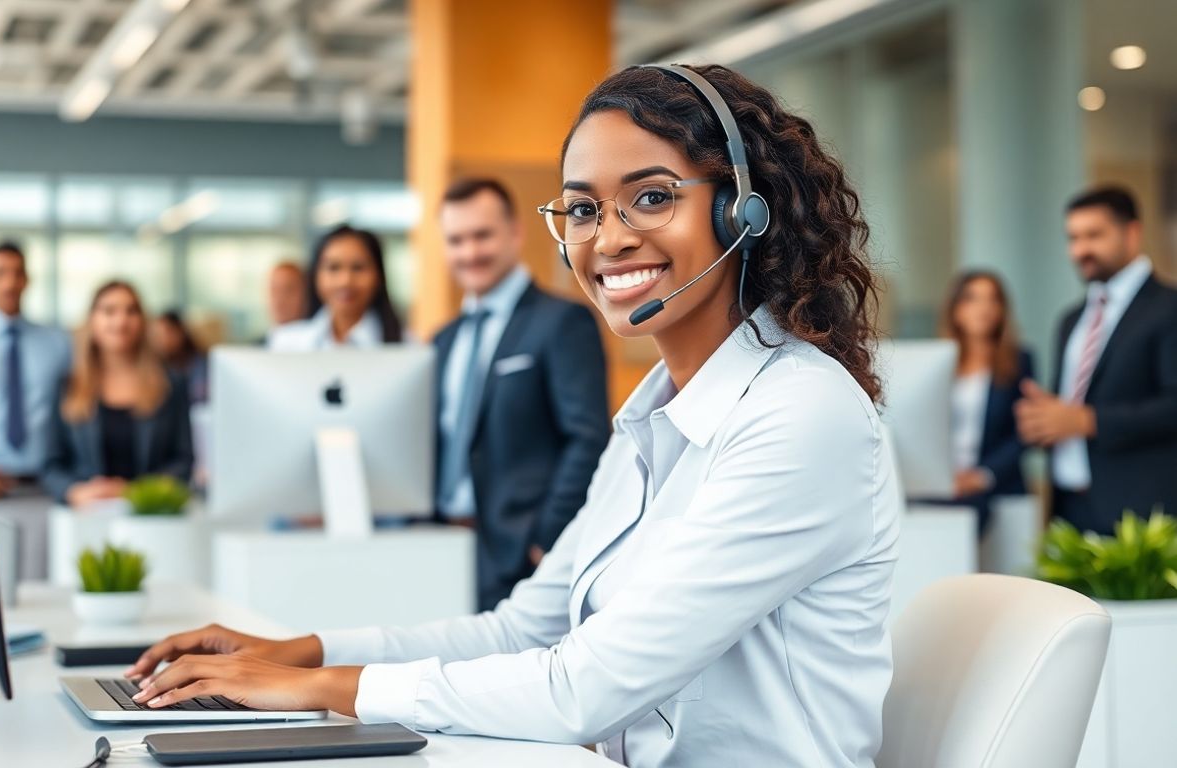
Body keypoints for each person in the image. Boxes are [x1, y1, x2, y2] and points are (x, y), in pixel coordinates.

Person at [127, 64, 899, 767]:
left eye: (653, 196)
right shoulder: (651, 416)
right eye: (585, 209)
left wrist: (325, 689)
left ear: (741, 210)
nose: (610, 237)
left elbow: (585, 688)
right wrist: (299, 651)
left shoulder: (801, 412)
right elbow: (522, 629)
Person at [433, 177, 610, 610]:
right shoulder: (441, 340)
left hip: (520, 553)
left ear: (515, 233)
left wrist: (544, 538)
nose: (470, 252)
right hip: (441, 547)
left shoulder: (562, 322)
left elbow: (588, 437)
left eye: (482, 235)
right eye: (456, 240)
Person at [1017, 186, 1177, 534]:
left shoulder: (1169, 308)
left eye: (1094, 235)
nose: (1080, 250)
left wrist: (1087, 421)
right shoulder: (1071, 319)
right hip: (1069, 510)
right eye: (1072, 237)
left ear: (1132, 233)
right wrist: (1046, 419)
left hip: (1139, 516)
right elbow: (1071, 409)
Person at [41, 281, 193, 507]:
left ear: (142, 321)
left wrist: (134, 492)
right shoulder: (67, 385)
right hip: (86, 515)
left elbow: (183, 462)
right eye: (109, 311)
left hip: (149, 514)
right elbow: (50, 465)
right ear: (92, 320)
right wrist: (75, 491)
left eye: (131, 311)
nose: (121, 321)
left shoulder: (170, 384)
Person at [0, 241, 71, 499]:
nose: (10, 283)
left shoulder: (57, 343)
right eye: (0, 272)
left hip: (46, 485)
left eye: (18, 273)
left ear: (27, 280)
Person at [938, 271, 1033, 535]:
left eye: (993, 299)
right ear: (955, 310)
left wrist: (982, 476)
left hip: (993, 487)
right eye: (972, 299)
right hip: (945, 484)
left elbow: (1024, 433)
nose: (984, 308)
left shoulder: (1019, 361)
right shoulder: (938, 364)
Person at [270, 226, 405, 350]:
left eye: (358, 268)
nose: (345, 281)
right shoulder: (285, 343)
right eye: (333, 268)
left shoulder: (407, 345)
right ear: (315, 275)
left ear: (379, 276)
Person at [151, 310, 208, 404]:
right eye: (157, 335)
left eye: (167, 332)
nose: (162, 340)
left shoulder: (201, 365)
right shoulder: (158, 368)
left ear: (180, 332)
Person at [266, 261, 309, 334]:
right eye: (274, 290)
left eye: (288, 290)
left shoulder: (316, 340)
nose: (279, 299)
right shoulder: (258, 343)